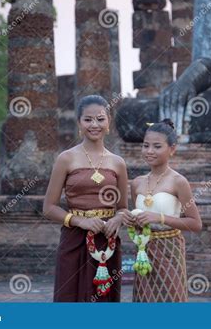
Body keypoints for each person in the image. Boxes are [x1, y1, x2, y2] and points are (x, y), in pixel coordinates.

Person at [43, 95, 129, 302]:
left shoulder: (118, 163)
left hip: (106, 241)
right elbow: (48, 207)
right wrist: (81, 221)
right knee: (70, 297)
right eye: (88, 119)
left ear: (109, 122)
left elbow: (123, 208)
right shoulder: (66, 158)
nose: (94, 125)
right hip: (74, 239)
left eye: (100, 119)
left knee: (103, 302)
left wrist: (117, 219)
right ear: (79, 123)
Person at [123, 119, 202, 302]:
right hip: (144, 250)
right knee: (144, 299)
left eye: (157, 146)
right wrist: (131, 220)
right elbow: (140, 219)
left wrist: (159, 217)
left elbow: (195, 224)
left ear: (172, 149)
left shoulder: (178, 182)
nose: (149, 151)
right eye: (146, 146)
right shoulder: (137, 183)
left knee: (170, 297)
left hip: (170, 249)